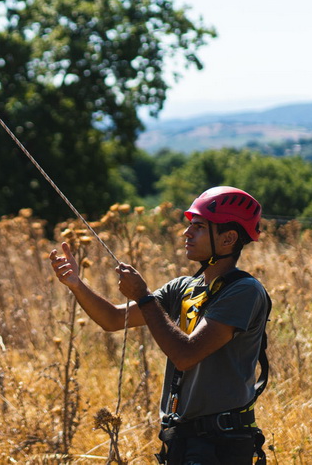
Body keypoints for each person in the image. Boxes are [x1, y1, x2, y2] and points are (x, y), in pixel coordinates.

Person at [49, 186, 271, 464]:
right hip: (181, 439)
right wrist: (76, 284)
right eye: (190, 225)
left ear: (228, 238)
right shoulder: (183, 287)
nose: (187, 233)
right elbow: (113, 319)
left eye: (199, 227)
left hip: (221, 443)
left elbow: (185, 355)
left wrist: (144, 297)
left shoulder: (244, 291)